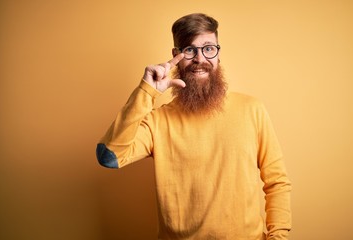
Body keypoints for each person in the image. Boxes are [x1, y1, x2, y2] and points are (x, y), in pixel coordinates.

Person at [96, 13, 292, 240]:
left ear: (218, 53)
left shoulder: (252, 109)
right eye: (189, 50)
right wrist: (146, 91)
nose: (200, 59)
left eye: (209, 48)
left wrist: (278, 237)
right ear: (176, 56)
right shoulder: (158, 121)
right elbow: (110, 156)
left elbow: (276, 182)